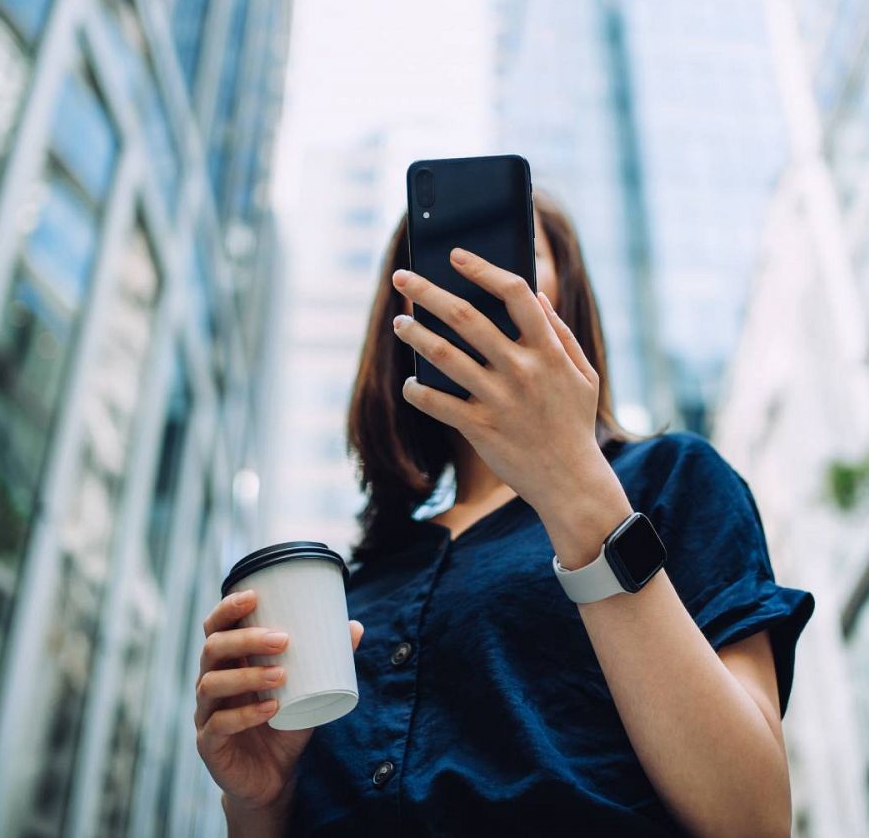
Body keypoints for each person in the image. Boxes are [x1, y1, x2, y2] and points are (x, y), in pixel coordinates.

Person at [195, 191, 813, 836]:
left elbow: (754, 820)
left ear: (565, 298)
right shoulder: (354, 585)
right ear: (398, 318)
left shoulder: (671, 478)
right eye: (437, 262)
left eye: (510, 252)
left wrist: (573, 482)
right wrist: (258, 804)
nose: (468, 277)